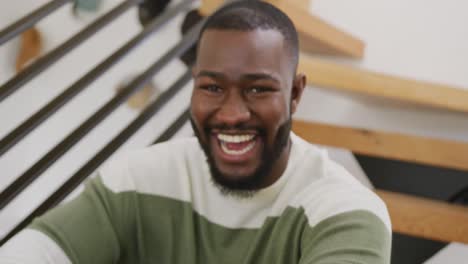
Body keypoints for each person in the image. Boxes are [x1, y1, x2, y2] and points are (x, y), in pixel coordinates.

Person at [0, 1, 391, 263]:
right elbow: (39, 250)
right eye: (212, 87)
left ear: (295, 93)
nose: (232, 114)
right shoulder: (135, 181)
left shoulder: (346, 212)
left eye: (258, 88)